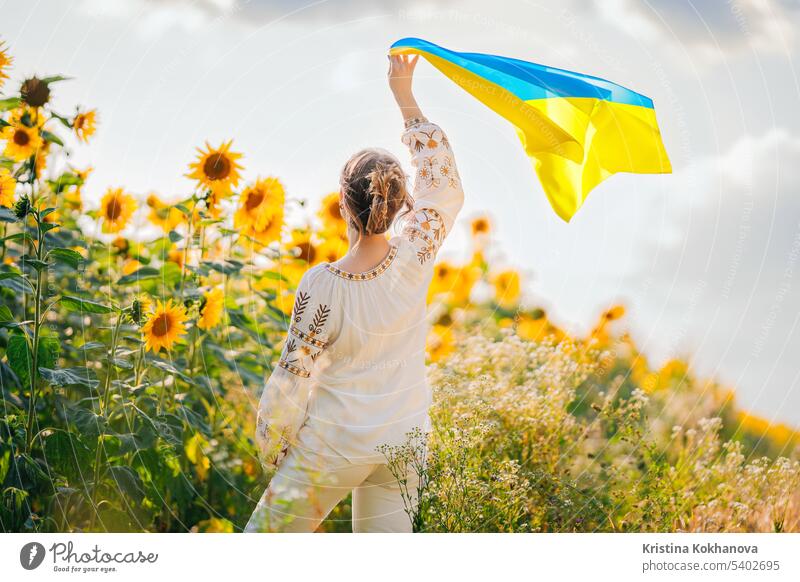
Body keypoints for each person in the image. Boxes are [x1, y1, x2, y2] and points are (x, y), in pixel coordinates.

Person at [244, 54, 464, 533]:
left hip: (335, 444)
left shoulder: (322, 286)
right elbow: (443, 185)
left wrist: (276, 450)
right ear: (403, 202)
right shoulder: (417, 252)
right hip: (405, 441)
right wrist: (405, 98)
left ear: (343, 203)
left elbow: (291, 380)